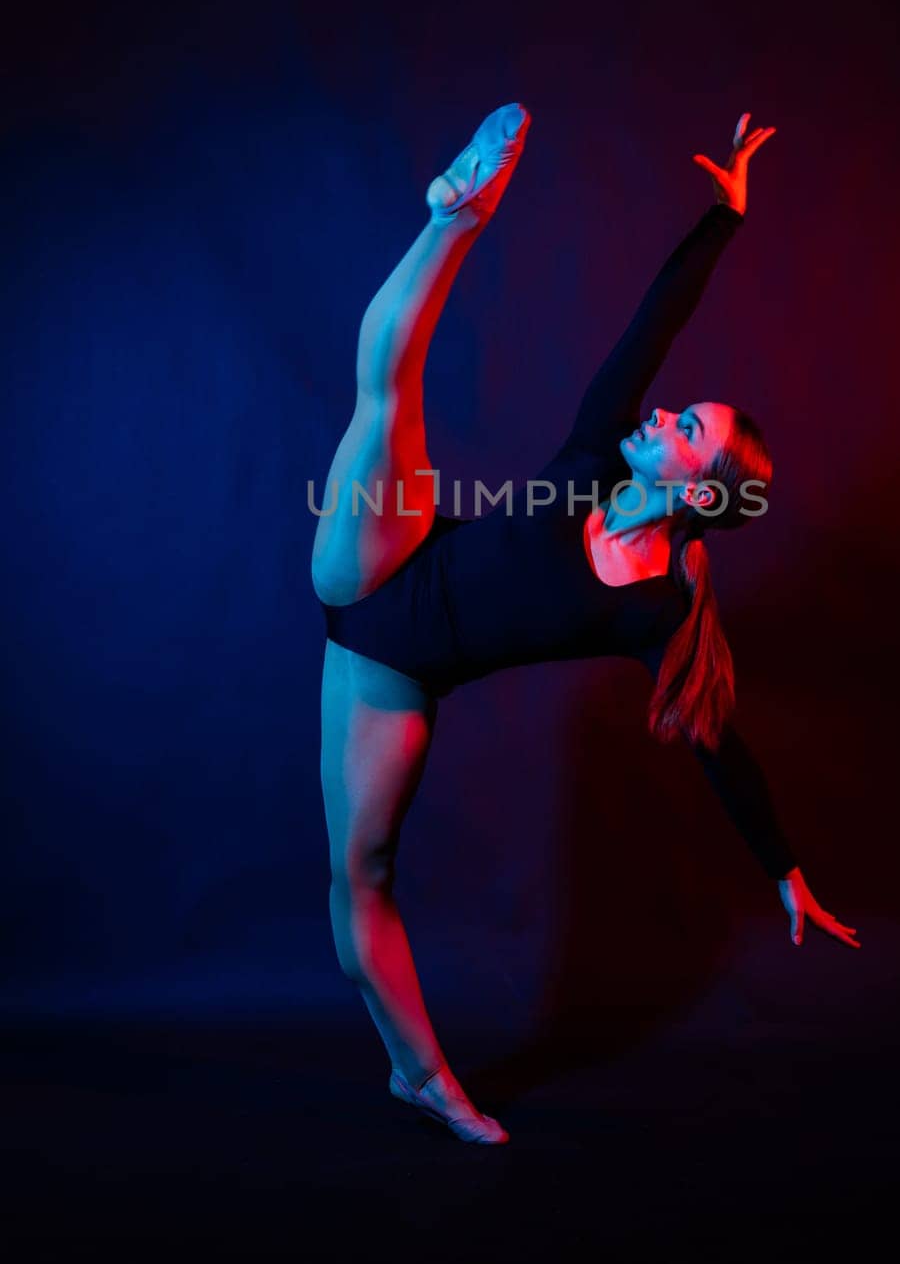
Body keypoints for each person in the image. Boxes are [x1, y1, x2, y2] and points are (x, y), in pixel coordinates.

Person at [310, 102, 860, 1144]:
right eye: (676, 410)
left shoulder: (657, 611)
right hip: (386, 551)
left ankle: (414, 1075)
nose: (660, 415)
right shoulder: (595, 452)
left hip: (387, 673)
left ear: (698, 494)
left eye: (683, 428)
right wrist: (722, 218)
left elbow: (719, 747)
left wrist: (783, 870)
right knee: (387, 394)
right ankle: (455, 215)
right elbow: (654, 322)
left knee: (362, 876)